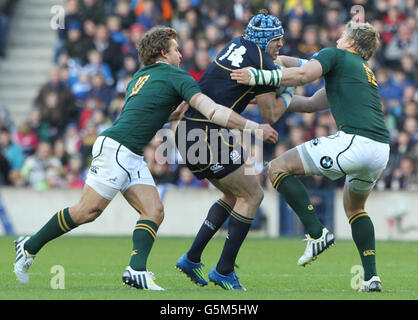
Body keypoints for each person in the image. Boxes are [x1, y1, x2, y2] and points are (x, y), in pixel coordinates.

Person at [13, 26, 278, 290]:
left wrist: (170, 116)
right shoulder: (177, 76)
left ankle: (136, 270)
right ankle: (28, 246)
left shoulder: (140, 77)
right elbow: (212, 111)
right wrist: (254, 127)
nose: (182, 54)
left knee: (154, 210)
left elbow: (143, 114)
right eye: (176, 49)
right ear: (164, 52)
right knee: (87, 211)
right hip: (118, 148)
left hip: (127, 150)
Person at [231, 21, 390, 292]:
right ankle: (371, 277)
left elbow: (304, 74)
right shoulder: (359, 70)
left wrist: (260, 78)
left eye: (342, 35)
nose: (338, 37)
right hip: (380, 151)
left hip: (354, 142)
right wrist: (268, 91)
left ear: (350, 42)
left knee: (277, 168)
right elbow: (310, 104)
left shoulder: (335, 55)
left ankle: (317, 233)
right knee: (355, 209)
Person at [174, 10, 294, 291]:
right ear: (265, 40)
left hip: (189, 132)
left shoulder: (237, 44)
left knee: (233, 195)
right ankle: (224, 270)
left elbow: (229, 92)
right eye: (277, 40)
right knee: (253, 194)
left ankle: (192, 257)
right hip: (206, 135)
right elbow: (272, 114)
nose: (281, 44)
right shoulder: (262, 62)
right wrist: (287, 92)